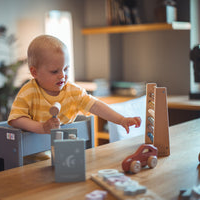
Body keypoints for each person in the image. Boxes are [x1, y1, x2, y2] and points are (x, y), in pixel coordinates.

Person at [8, 35, 141, 134]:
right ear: (34, 72)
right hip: (32, 158)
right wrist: (41, 128)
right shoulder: (29, 92)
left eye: (66, 69)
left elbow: (95, 106)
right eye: (54, 71)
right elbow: (15, 119)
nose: (62, 75)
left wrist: (121, 120)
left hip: (66, 155)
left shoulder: (72, 91)